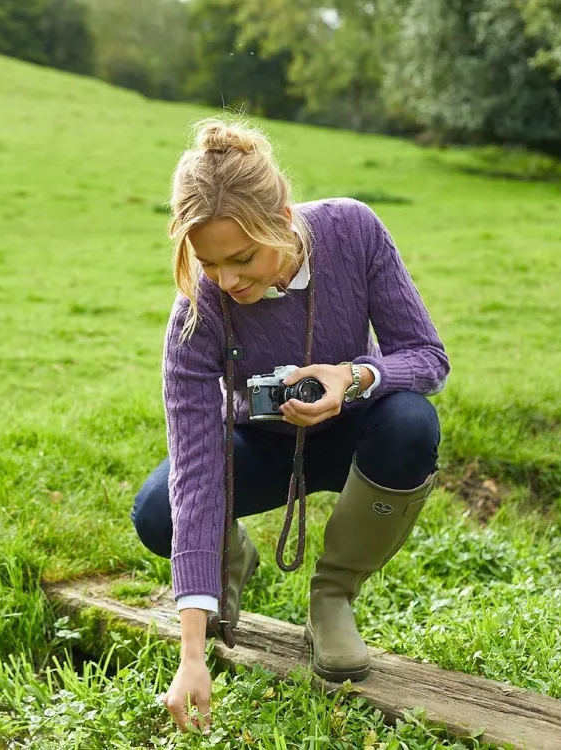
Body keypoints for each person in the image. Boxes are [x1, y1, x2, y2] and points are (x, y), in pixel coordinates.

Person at [130, 117, 450, 734]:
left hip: (353, 431)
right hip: (261, 446)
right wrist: (191, 653)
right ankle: (229, 564)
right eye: (209, 261)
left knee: (412, 423)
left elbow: (428, 357)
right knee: (157, 512)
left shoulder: (352, 231)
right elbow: (197, 473)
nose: (228, 280)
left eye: (244, 257)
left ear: (279, 214)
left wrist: (352, 378)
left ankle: (332, 599)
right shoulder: (197, 312)